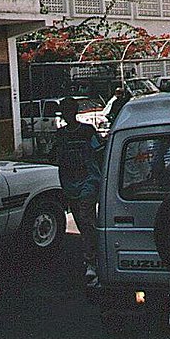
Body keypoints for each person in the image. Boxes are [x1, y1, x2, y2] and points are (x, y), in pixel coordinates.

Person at [53, 97, 103, 287]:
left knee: (85, 217)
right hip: (69, 183)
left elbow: (99, 152)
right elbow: (55, 155)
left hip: (88, 180)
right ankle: (94, 251)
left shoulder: (87, 131)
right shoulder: (61, 135)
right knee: (84, 223)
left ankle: (91, 261)